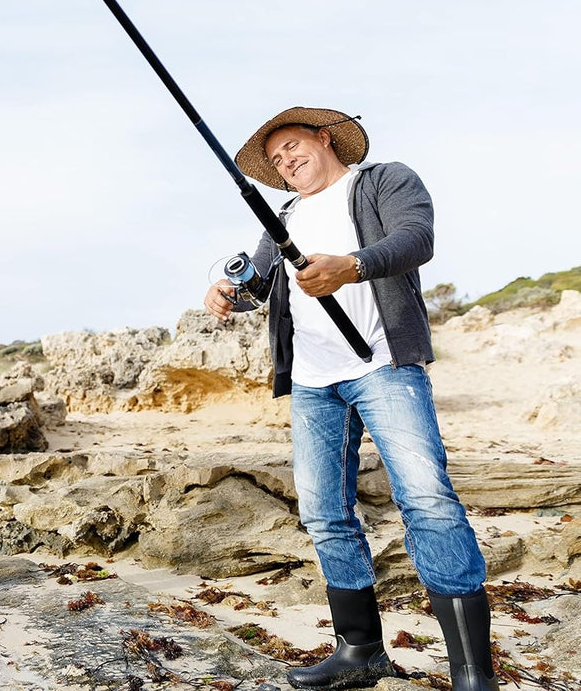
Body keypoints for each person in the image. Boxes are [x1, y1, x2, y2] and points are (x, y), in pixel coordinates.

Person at [204, 107, 497, 691]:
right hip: (314, 381)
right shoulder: (283, 215)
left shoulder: (383, 180)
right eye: (277, 158)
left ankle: (471, 671)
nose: (286, 161)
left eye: (293, 146)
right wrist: (228, 294)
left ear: (325, 136)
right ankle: (361, 651)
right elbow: (259, 287)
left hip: (384, 365)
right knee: (324, 513)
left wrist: (351, 267)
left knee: (427, 501)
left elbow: (417, 240)